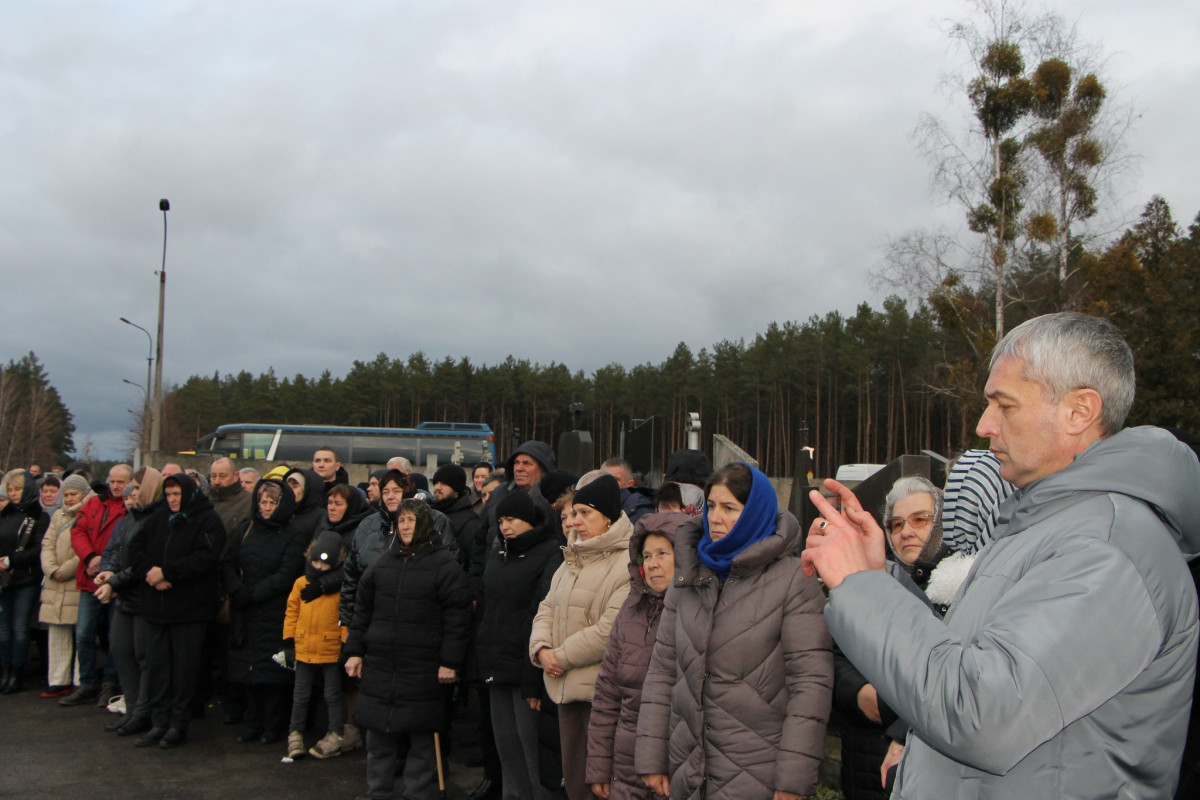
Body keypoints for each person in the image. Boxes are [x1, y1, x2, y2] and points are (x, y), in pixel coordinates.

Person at [801, 311, 1200, 798]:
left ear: (1079, 411)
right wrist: (875, 577)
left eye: (1004, 406)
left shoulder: (1108, 547)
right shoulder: (1037, 529)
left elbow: (981, 714)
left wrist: (858, 589)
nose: (984, 425)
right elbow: (959, 667)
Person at [635, 463, 833, 800]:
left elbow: (810, 686)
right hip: (689, 769)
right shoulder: (688, 576)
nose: (715, 518)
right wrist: (652, 757)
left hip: (760, 773)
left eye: (730, 508)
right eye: (711, 506)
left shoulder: (793, 580)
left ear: (754, 512)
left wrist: (792, 781)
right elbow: (662, 671)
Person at [832, 476, 954, 800]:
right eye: (896, 524)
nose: (906, 532)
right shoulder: (872, 579)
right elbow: (836, 653)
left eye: (920, 519)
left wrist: (889, 703)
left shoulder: (959, 588)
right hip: (864, 760)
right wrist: (858, 692)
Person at [344, 499, 472, 800]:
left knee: (422, 739)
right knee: (378, 738)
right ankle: (379, 793)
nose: (405, 526)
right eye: (401, 520)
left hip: (423, 668)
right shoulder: (381, 564)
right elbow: (361, 612)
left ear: (425, 524)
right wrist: (353, 651)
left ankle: (416, 794)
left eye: (411, 521)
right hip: (380, 665)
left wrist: (449, 662)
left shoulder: (445, 566)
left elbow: (458, 618)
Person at [530, 472, 633, 800]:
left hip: (599, 695)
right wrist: (541, 649)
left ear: (608, 519)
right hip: (564, 687)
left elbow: (609, 631)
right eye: (573, 514)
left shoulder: (626, 563)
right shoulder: (571, 559)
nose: (575, 521)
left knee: (600, 785)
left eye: (585, 514)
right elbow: (547, 607)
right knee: (575, 783)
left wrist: (559, 657)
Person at [586, 511, 683, 800]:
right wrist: (600, 766)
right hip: (627, 769)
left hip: (676, 767)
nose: (653, 564)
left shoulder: (701, 612)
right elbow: (607, 696)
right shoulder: (630, 611)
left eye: (663, 553)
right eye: (647, 555)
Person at [476, 489, 564, 800]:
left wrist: (533, 673)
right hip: (496, 659)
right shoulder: (499, 552)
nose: (505, 527)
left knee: (532, 750)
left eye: (511, 520)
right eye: (500, 521)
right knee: (507, 747)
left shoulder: (551, 553)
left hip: (527, 663)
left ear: (528, 519)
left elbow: (540, 613)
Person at [128, 472, 225, 748]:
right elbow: (135, 548)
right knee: (158, 668)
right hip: (156, 608)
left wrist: (168, 572)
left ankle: (178, 724)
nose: (172, 500)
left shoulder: (207, 520)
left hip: (189, 610)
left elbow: (205, 558)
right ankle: (159, 721)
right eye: (168, 494)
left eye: (176, 494)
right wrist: (150, 572)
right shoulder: (157, 518)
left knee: (184, 670)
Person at [223, 478, 307, 745]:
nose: (266, 508)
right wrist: (237, 590)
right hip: (246, 612)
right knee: (247, 671)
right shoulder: (246, 529)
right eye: (263, 502)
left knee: (272, 672)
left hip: (274, 611)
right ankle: (251, 721)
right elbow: (227, 562)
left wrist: (254, 594)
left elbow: (287, 573)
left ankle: (272, 725)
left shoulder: (293, 534)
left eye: (272, 502)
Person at [95, 468, 164, 735]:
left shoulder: (156, 519)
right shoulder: (132, 516)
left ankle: (143, 712)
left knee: (144, 657)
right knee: (121, 652)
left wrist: (114, 582)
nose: (132, 493)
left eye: (137, 487)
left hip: (144, 598)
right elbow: (118, 549)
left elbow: (140, 564)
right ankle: (133, 708)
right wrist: (109, 571)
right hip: (125, 597)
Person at [65, 463, 131, 706]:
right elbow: (78, 531)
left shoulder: (130, 508)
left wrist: (106, 565)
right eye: (112, 481)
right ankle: (87, 683)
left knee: (114, 636)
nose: (115, 486)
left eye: (121, 482)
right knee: (83, 634)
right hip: (89, 578)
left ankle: (109, 683)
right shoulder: (93, 504)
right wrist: (90, 557)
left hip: (114, 581)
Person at [283, 530, 348, 760]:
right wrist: (289, 641)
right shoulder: (301, 583)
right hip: (303, 647)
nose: (319, 567)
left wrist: (345, 645)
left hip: (330, 649)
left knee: (332, 694)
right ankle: (295, 734)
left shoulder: (337, 589)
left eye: (325, 563)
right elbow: (291, 612)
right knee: (300, 695)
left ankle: (336, 733)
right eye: (316, 562)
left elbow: (344, 618)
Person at [37, 474, 92, 698]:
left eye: (73, 494)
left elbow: (87, 548)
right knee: (57, 631)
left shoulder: (90, 512)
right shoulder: (58, 515)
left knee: (80, 633)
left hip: (76, 579)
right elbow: (46, 544)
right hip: (55, 579)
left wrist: (65, 570)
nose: (69, 499)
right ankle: (58, 680)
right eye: (66, 494)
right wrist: (51, 569)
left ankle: (81, 680)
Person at [0, 469, 51, 694]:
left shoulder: (39, 516)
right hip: (3, 578)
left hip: (26, 578)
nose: (13, 494)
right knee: (3, 629)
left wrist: (12, 559)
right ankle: (5, 670)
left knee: (20, 627)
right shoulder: (5, 514)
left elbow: (39, 549)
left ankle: (17, 672)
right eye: (10, 490)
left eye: (18, 489)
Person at [432, 463, 480, 572]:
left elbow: (473, 562)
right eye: (436, 483)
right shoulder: (432, 515)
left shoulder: (469, 522)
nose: (438, 487)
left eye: (444, 483)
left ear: (456, 490)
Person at [600, 458, 654, 526]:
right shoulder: (593, 504)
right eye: (603, 479)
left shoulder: (641, 511)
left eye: (615, 480)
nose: (607, 483)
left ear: (630, 484)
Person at [208, 457, 252, 537]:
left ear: (236, 476)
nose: (217, 481)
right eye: (213, 476)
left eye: (223, 476)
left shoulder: (249, 502)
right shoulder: (203, 499)